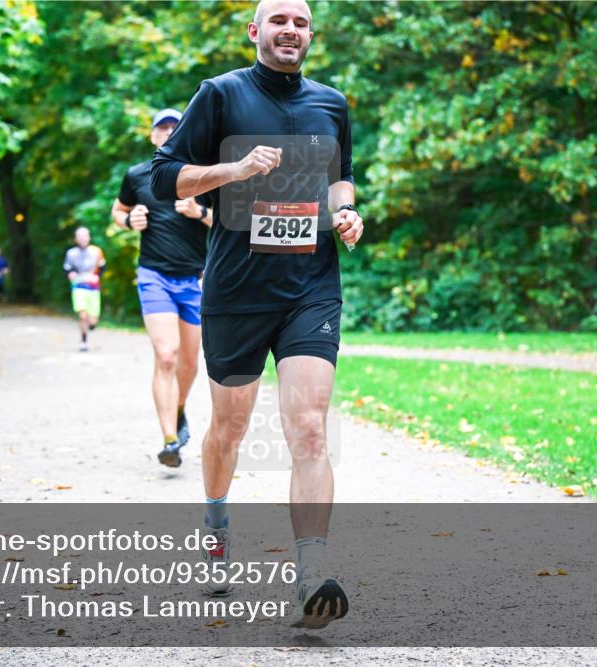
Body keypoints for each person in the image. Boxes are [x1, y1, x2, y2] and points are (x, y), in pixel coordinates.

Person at [151, 0, 363, 629]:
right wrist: (235, 169)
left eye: (301, 23)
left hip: (311, 288)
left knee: (310, 429)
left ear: (311, 35)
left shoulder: (332, 103)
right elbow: (167, 178)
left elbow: (341, 177)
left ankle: (310, 577)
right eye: (279, 21)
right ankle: (216, 526)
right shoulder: (220, 95)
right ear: (255, 31)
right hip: (237, 292)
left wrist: (347, 212)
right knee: (229, 431)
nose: (290, 31)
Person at [111, 108, 213, 468]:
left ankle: (179, 408)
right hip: (154, 275)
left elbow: (229, 221)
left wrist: (199, 213)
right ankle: (170, 440)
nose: (169, 132)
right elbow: (118, 210)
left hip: (195, 279)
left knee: (189, 364)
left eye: (175, 126)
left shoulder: (202, 175)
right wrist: (129, 220)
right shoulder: (137, 175)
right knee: (166, 355)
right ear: (153, 136)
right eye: (162, 127)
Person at [63, 226, 106, 352]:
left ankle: (91, 325)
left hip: (93, 288)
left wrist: (97, 276)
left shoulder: (96, 251)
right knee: (82, 316)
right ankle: (83, 340)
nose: (82, 239)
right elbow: (67, 268)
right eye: (80, 236)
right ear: (76, 239)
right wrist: (71, 274)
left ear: (89, 238)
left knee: (92, 321)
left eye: (85, 236)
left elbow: (103, 266)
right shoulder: (71, 253)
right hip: (79, 287)